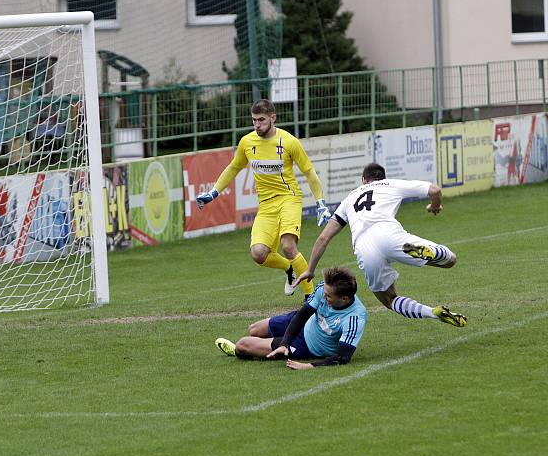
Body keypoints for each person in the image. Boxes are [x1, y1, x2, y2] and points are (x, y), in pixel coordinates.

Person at [294, 162, 467, 327]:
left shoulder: (350, 198)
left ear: (363, 180)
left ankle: (433, 312)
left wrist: (310, 269)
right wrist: (435, 206)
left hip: (364, 247)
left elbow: (323, 239)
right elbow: (435, 190)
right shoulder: (390, 184)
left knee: (389, 299)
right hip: (389, 235)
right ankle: (431, 252)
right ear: (382, 178)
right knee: (450, 261)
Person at [196, 99, 332, 298]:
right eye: (254, 120)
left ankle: (311, 296)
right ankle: (290, 269)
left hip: (289, 198)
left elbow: (309, 173)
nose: (257, 124)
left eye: (261, 119)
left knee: (288, 246)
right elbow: (234, 167)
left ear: (273, 118)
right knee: (258, 254)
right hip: (267, 205)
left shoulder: (289, 142)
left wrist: (320, 203)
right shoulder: (247, 142)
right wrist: (214, 192)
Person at [215, 266, 367, 369]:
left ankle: (236, 351)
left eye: (329, 296)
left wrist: (308, 366)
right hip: (305, 322)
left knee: (243, 344)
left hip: (306, 345)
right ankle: (278, 344)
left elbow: (342, 357)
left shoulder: (354, 318)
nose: (324, 296)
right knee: (254, 329)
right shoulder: (324, 287)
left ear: (345, 298)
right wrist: (285, 342)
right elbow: (302, 315)